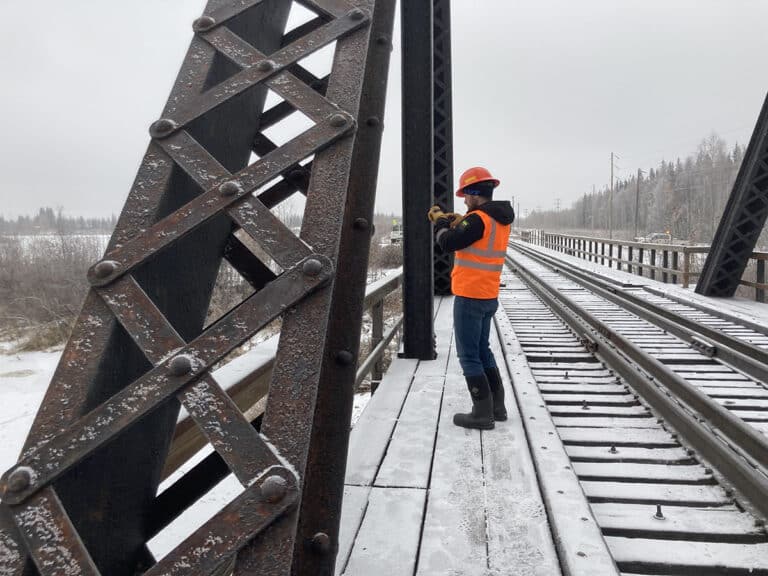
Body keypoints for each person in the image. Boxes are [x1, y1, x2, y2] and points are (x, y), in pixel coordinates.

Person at [429, 167, 514, 429]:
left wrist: (441, 223)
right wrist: (459, 221)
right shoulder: (497, 219)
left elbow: (447, 243)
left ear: (475, 194)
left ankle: (481, 413)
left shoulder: (478, 219)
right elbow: (471, 235)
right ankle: (497, 408)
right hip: (488, 294)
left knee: (468, 355)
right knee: (482, 350)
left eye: (466, 195)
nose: (464, 200)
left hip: (470, 295)